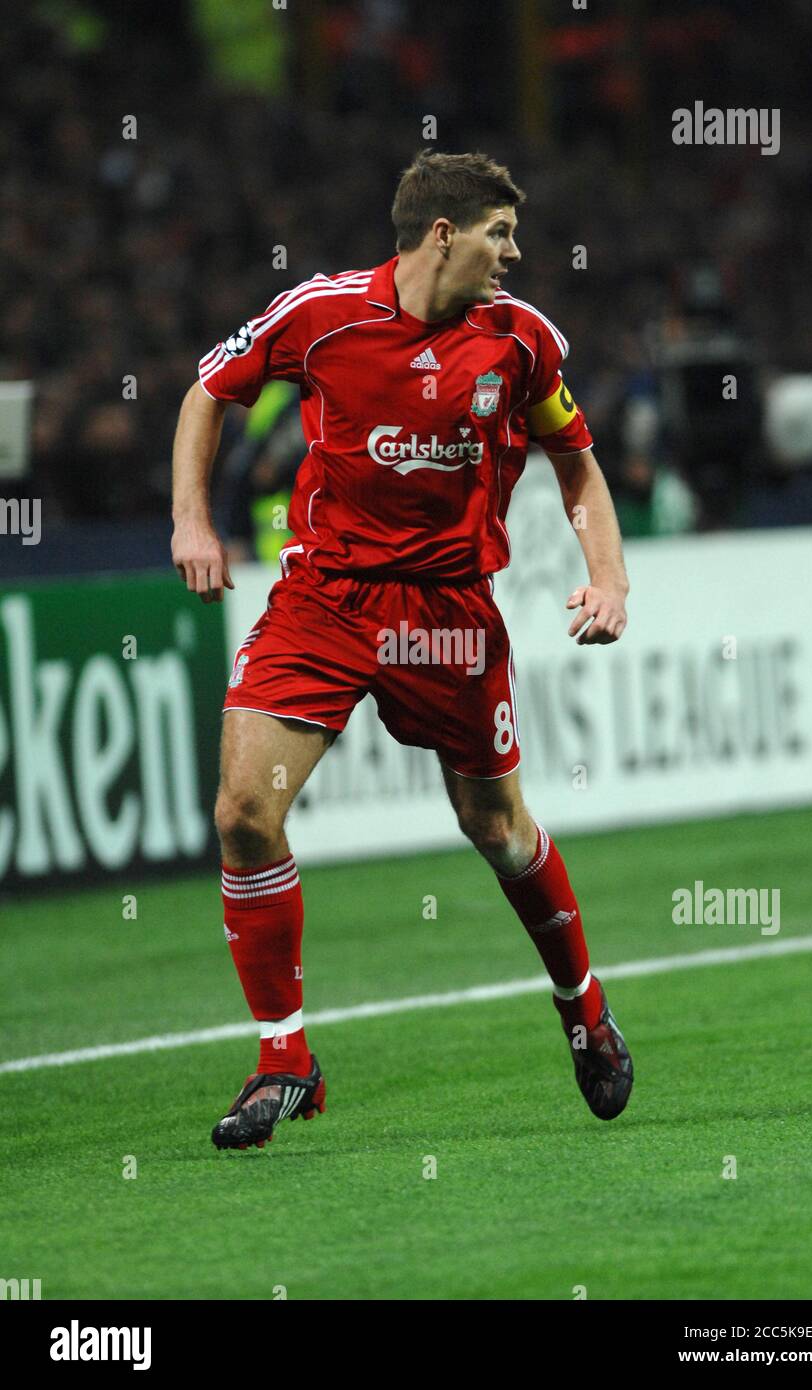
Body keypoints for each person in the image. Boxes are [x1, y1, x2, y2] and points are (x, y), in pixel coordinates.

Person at [170, 150, 633, 1151]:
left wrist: (609, 580)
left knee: (496, 828)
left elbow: (579, 469)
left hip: (449, 615)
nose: (513, 252)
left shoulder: (520, 343)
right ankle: (284, 1059)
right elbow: (208, 390)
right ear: (440, 234)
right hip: (323, 599)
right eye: (498, 233)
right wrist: (192, 525)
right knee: (244, 812)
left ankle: (583, 1007)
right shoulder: (321, 314)